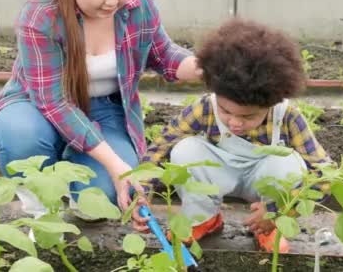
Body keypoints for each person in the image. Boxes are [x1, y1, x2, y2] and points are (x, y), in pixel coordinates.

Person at [0, 0, 201, 226]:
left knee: (103, 199)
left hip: (105, 109)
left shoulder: (139, 5)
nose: (113, 1)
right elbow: (52, 102)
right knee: (22, 136)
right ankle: (40, 212)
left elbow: (163, 53)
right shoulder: (41, 14)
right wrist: (116, 164)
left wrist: (201, 66)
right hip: (37, 106)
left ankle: (77, 182)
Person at [140, 19, 332, 252]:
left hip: (262, 179)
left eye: (248, 117)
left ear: (272, 103)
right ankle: (203, 219)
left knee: (289, 166)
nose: (234, 122)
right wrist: (143, 190)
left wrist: (279, 210)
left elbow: (324, 174)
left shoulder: (287, 116)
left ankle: (269, 227)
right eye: (226, 111)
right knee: (184, 150)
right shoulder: (206, 108)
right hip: (219, 174)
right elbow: (161, 146)